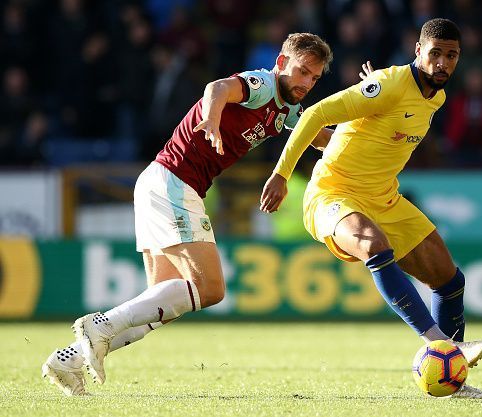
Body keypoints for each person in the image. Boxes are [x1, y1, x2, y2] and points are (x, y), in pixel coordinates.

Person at [41, 32, 334, 396]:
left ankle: (66, 360)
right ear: (280, 63)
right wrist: (211, 119)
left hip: (160, 182)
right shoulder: (262, 84)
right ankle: (97, 327)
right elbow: (218, 88)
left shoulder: (289, 109)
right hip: (175, 182)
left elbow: (319, 136)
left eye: (314, 77)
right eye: (302, 71)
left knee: (160, 302)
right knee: (210, 289)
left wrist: (367, 129)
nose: (306, 82)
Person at [260, 19, 482, 399]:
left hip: (384, 196)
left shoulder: (436, 97)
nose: (442, 63)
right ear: (417, 51)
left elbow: (378, 127)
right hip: (332, 192)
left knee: (450, 281)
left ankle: (454, 386)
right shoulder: (389, 85)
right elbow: (315, 113)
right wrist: (281, 174)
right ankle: (441, 345)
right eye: (434, 53)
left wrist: (371, 94)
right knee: (373, 243)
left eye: (451, 56)